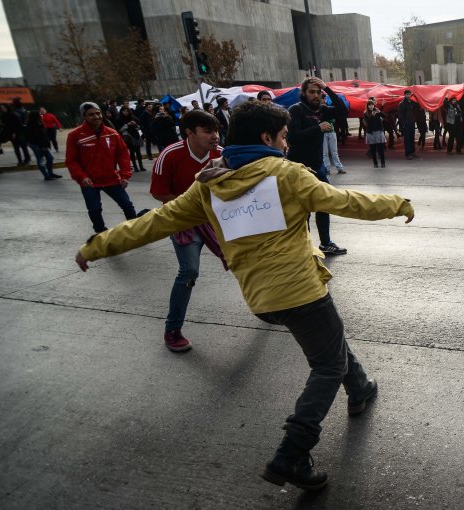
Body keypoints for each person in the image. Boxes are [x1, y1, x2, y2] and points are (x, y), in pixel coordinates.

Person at [74, 100, 415, 491]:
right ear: (267, 138)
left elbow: (154, 222)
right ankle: (293, 454)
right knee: (326, 365)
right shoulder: (285, 174)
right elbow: (345, 201)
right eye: (284, 137)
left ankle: (360, 389)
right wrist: (397, 204)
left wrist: (98, 245)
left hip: (261, 298)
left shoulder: (209, 185)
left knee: (329, 342)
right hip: (300, 289)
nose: (287, 144)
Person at [150, 110, 226, 352]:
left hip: (215, 222)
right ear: (189, 133)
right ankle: (172, 330)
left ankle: (271, 310)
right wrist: (192, 209)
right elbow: (159, 192)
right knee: (189, 271)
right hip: (183, 221)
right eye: (208, 131)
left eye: (216, 130)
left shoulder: (222, 155)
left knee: (243, 261)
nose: (215, 136)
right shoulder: (169, 155)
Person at [288, 77, 349, 255]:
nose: (316, 95)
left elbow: (343, 111)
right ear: (304, 93)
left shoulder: (322, 110)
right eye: (312, 92)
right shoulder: (296, 110)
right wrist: (317, 128)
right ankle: (304, 246)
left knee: (324, 203)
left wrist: (327, 88)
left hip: (317, 166)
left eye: (318, 92)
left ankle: (326, 243)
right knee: (303, 208)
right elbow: (292, 138)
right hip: (298, 166)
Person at [65, 102, 137, 233]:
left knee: (127, 205)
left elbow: (123, 155)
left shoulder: (112, 133)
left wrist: (125, 175)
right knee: (94, 209)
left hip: (112, 179)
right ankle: (100, 233)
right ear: (84, 116)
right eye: (91, 114)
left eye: (98, 113)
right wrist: (82, 177)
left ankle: (136, 230)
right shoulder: (75, 135)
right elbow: (71, 161)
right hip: (90, 182)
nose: (96, 117)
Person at [25, 110, 62, 180]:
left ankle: (48, 174)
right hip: (39, 144)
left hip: (37, 144)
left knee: (46, 158)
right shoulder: (35, 124)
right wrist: (43, 146)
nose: (41, 115)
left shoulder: (33, 124)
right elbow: (39, 136)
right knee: (43, 159)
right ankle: (47, 174)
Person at [320, 94, 345, 174]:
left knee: (334, 151)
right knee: (325, 152)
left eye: (324, 98)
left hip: (331, 131)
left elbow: (335, 118)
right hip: (322, 132)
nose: (323, 100)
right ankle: (327, 168)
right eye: (322, 98)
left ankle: (339, 168)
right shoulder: (316, 109)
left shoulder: (329, 107)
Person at [363, 100, 386, 168]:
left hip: (379, 131)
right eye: (369, 105)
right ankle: (375, 163)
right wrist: (372, 116)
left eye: (372, 105)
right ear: (367, 106)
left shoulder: (377, 111)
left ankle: (383, 163)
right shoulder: (365, 113)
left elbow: (385, 116)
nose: (371, 106)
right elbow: (368, 123)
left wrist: (380, 112)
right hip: (371, 133)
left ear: (374, 105)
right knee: (373, 149)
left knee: (380, 149)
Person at [398, 89, 418, 159]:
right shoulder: (402, 104)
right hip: (406, 124)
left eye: (409, 94)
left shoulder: (412, 102)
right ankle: (408, 154)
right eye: (407, 94)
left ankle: (412, 152)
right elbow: (400, 116)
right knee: (407, 139)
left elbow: (418, 106)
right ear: (405, 95)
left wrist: (416, 97)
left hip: (412, 123)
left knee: (412, 138)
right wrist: (403, 124)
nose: (408, 95)